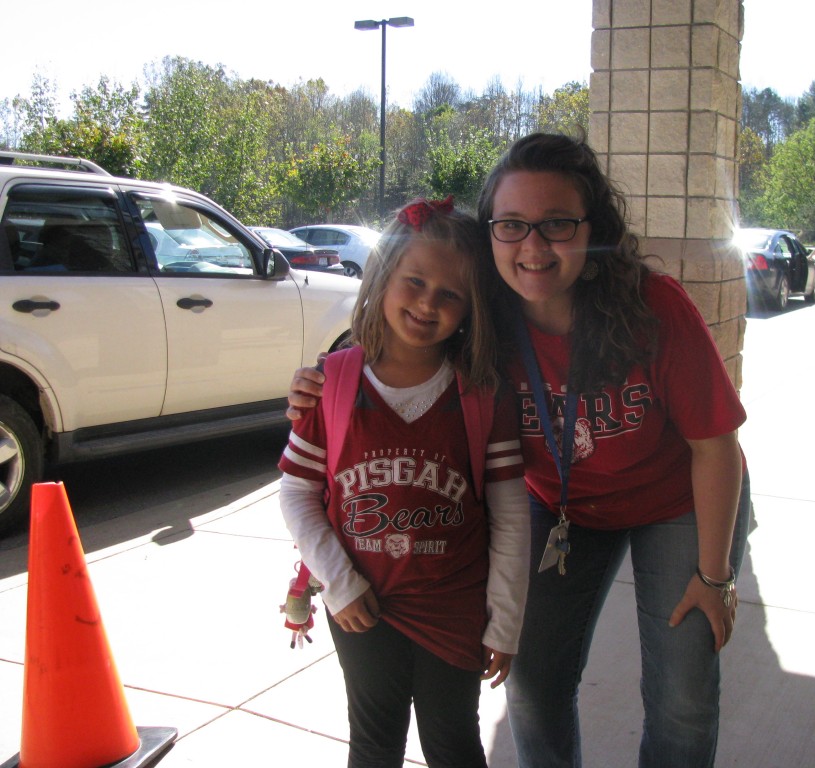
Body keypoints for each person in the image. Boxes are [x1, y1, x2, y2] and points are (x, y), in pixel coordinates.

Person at [289, 133, 751, 768]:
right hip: (562, 508)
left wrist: (714, 575)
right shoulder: (480, 315)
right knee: (532, 686)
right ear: (491, 235)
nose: (533, 246)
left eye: (557, 223)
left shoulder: (653, 308)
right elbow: (397, 350)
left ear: (593, 229)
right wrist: (321, 380)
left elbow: (715, 446)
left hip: (678, 502)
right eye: (511, 225)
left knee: (682, 698)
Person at [278, 197, 531, 768]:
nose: (426, 303)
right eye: (414, 281)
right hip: (361, 604)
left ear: (471, 308)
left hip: (456, 607)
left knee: (454, 745)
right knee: (373, 743)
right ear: (384, 275)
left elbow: (511, 514)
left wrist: (505, 620)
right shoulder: (331, 383)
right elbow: (296, 492)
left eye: (450, 294)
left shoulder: (481, 394)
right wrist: (339, 583)